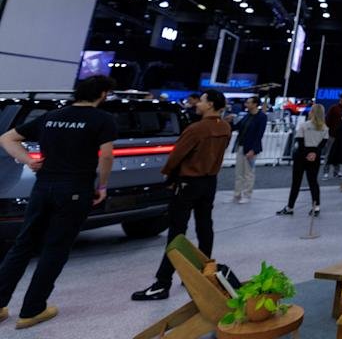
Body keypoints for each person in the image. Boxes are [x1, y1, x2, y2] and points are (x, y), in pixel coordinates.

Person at [0, 75, 117, 329]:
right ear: (103, 94)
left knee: (23, 245)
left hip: (43, 187)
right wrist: (102, 186)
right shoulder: (103, 119)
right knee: (55, 247)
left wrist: (29, 161)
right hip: (75, 189)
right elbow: (107, 156)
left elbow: (6, 138)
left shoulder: (51, 116)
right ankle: (32, 310)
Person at [132, 90, 231, 302]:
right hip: (209, 182)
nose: (197, 104)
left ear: (210, 104)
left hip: (188, 183)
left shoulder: (196, 129)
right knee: (205, 227)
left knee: (177, 232)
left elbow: (177, 156)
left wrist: (168, 176)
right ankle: (203, 273)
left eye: (201, 101)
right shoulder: (224, 128)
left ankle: (162, 283)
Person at [278, 103, 328, 216]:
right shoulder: (325, 128)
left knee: (296, 182)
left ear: (312, 112)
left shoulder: (304, 125)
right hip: (315, 156)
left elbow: (299, 142)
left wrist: (306, 153)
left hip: (301, 156)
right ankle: (316, 207)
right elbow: (323, 144)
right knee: (313, 182)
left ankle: (290, 207)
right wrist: (314, 153)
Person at [230, 96, 267, 203]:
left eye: (248, 102)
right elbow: (237, 127)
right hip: (241, 146)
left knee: (248, 173)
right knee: (239, 172)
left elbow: (259, 135)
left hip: (251, 148)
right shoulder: (247, 115)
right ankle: (237, 194)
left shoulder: (261, 117)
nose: (246, 104)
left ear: (255, 104)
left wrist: (253, 150)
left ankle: (247, 195)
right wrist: (230, 122)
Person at [322, 92, 342, 179]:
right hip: (332, 135)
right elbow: (327, 120)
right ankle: (325, 172)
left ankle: (336, 172)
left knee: (338, 154)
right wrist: (329, 131)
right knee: (329, 153)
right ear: (340, 98)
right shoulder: (334, 108)